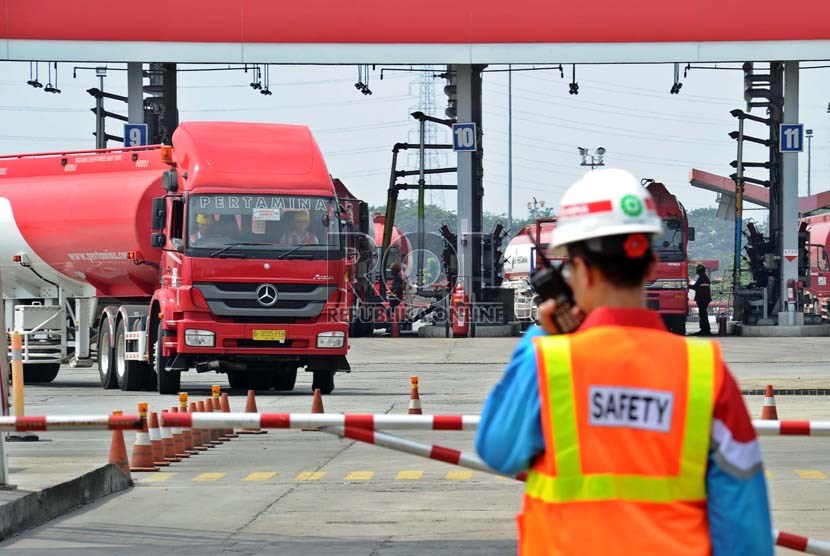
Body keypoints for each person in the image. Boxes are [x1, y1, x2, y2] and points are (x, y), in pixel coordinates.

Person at [475, 169, 771, 556]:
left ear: (575, 268)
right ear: (649, 264)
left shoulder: (548, 361)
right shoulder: (703, 369)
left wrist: (542, 335)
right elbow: (743, 523)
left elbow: (498, 449)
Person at [691, 263, 712, 336]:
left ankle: (705, 330)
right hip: (704, 299)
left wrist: (687, 285)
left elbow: (696, 287)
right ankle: (705, 329)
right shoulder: (704, 277)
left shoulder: (702, 278)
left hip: (702, 299)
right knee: (703, 314)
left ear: (699, 271)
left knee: (703, 315)